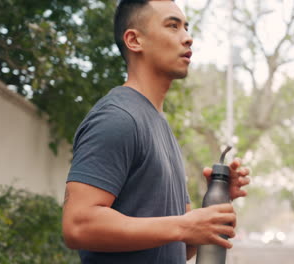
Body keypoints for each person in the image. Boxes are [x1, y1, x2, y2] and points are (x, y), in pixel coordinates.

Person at [61, 0, 250, 263]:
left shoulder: (161, 127)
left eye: (186, 27)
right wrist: (184, 225)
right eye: (173, 26)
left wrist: (215, 202)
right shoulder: (118, 118)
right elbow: (78, 226)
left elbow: (178, 248)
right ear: (134, 40)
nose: (188, 38)